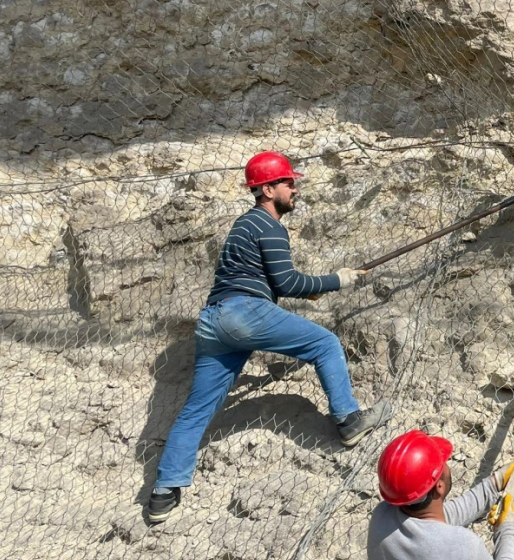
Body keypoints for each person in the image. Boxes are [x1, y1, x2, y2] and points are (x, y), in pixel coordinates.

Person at [146, 151, 392, 522]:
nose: (294, 188)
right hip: (244, 313)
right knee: (325, 344)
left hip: (214, 322)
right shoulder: (268, 224)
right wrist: (336, 280)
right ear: (265, 189)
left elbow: (263, 279)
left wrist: (308, 289)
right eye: (288, 182)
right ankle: (348, 420)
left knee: (197, 410)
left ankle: (164, 492)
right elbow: (286, 282)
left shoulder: (244, 226)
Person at [367, 430, 514, 560]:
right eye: (442, 463)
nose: (446, 462)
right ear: (440, 487)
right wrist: (504, 527)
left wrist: (494, 483)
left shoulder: (381, 518)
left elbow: (437, 523)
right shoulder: (463, 548)